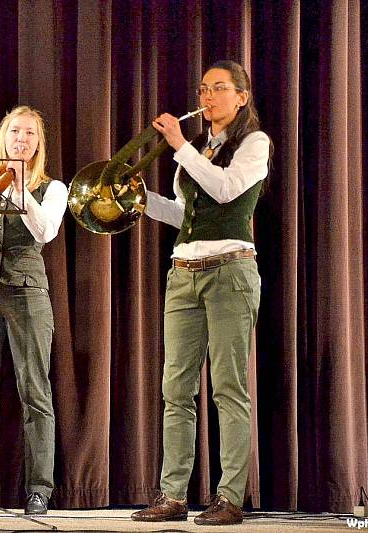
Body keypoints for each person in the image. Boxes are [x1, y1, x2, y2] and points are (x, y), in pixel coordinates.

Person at [131, 60, 271, 526]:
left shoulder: (254, 144)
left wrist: (177, 148)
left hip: (230, 271)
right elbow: (184, 215)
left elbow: (228, 191)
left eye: (218, 89)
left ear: (241, 97)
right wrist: (140, 200)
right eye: (203, 89)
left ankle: (229, 497)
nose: (206, 97)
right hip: (183, 273)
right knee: (176, 389)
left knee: (229, 387)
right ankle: (172, 495)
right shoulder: (194, 149)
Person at [0, 106, 67, 515]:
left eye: (30, 134)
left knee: (35, 392)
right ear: (3, 137)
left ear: (39, 144)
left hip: (28, 292)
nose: (21, 139)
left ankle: (39, 489)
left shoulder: (53, 188)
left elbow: (46, 231)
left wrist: (20, 189)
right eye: (15, 131)